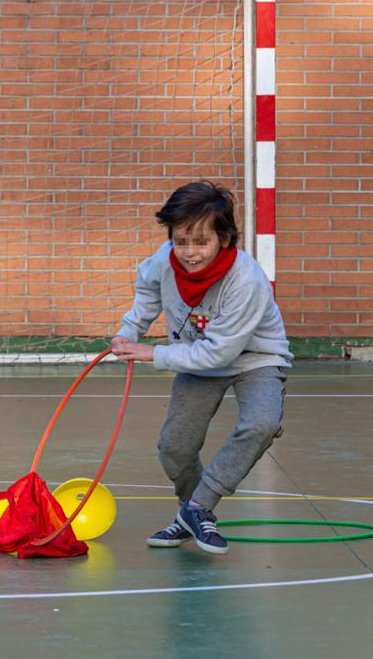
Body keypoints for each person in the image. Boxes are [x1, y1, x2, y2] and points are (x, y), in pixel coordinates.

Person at [111, 181, 291, 555]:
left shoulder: (246, 280)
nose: (190, 252)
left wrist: (152, 353)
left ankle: (198, 507)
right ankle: (190, 514)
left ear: (225, 238)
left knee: (262, 422)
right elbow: (148, 290)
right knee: (174, 447)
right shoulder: (165, 259)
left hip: (255, 358)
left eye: (201, 242)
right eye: (181, 241)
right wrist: (129, 331)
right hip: (197, 357)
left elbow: (219, 354)